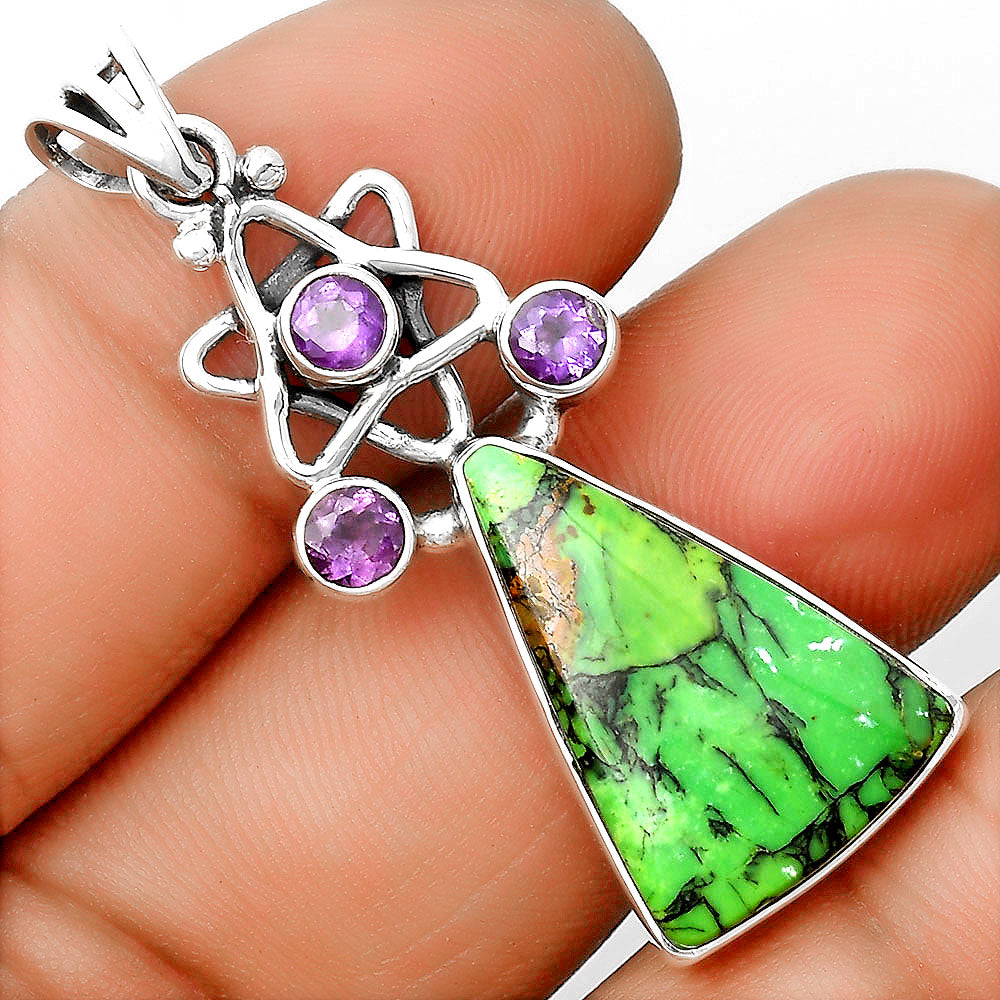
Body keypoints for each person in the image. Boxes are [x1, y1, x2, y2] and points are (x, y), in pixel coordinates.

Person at [1, 1, 997, 997]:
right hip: (511, 494)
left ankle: (835, 755)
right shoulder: (332, 380)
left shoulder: (413, 332)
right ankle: (816, 770)